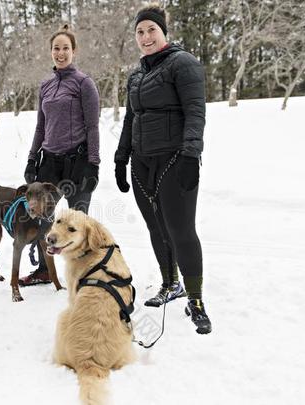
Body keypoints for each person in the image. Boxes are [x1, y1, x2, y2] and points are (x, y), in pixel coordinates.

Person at [114, 5, 212, 334]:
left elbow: (195, 111)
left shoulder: (183, 64)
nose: (145, 37)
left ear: (163, 32)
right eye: (140, 32)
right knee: (157, 228)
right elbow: (131, 118)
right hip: (142, 164)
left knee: (181, 231)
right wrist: (121, 156)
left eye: (151, 30)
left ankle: (195, 299)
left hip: (174, 159)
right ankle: (171, 284)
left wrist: (190, 154)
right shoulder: (136, 76)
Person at [20, 25, 100, 286]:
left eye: (66, 48)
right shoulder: (45, 85)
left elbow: (92, 126)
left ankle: (83, 272)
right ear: (51, 52)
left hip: (77, 161)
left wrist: (93, 165)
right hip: (50, 162)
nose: (61, 53)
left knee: (78, 220)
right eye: (56, 48)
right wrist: (32, 159)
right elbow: (41, 127)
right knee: (44, 219)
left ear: (74, 51)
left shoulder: (84, 83)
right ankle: (45, 270)